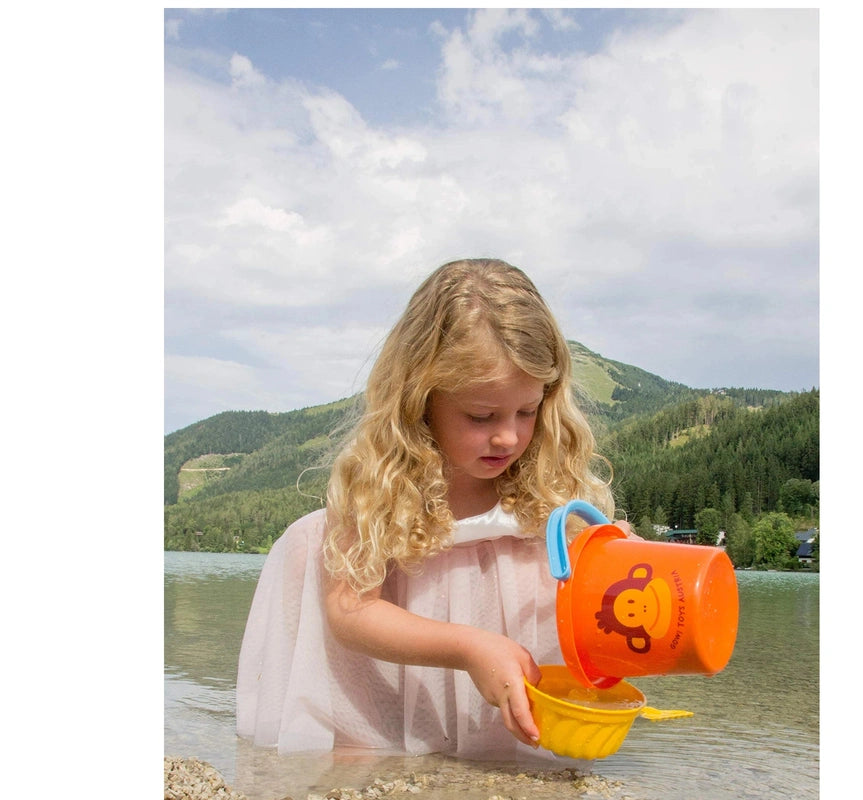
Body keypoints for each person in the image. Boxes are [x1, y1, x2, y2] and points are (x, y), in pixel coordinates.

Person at [236, 258, 616, 759]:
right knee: (365, 774)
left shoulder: (549, 493)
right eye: (481, 416)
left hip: (504, 718)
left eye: (528, 411)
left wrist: (612, 569)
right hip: (383, 698)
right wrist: (468, 646)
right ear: (420, 399)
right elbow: (350, 611)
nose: (508, 436)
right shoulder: (377, 489)